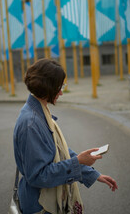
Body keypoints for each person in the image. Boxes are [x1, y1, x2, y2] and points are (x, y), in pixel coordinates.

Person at [13, 59, 118, 214]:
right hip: (40, 205)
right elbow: (38, 176)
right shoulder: (31, 123)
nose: (61, 92)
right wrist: (78, 162)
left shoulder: (39, 112)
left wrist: (93, 174)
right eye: (59, 87)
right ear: (47, 88)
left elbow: (59, 152)